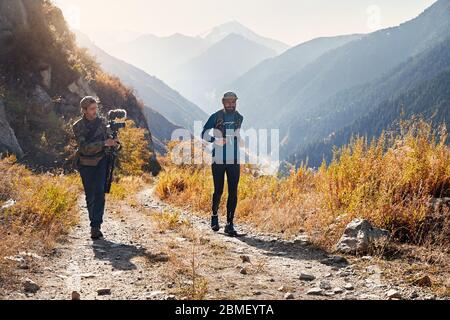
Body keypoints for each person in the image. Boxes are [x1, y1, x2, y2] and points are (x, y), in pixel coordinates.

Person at [72, 96, 119, 240]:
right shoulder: (77, 126)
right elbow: (84, 148)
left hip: (101, 162)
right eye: (92, 109)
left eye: (96, 108)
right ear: (84, 110)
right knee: (89, 194)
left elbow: (111, 141)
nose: (95, 111)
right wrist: (104, 143)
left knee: (99, 192)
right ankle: (94, 222)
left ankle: (95, 226)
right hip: (85, 163)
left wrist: (114, 142)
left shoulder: (103, 123)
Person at [201, 92, 244, 237]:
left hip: (234, 160)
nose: (231, 104)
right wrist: (216, 140)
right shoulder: (216, 116)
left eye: (233, 102)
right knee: (218, 190)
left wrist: (239, 137)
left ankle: (229, 224)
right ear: (223, 102)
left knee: (233, 192)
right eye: (228, 102)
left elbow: (236, 132)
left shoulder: (239, 117)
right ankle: (214, 215)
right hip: (218, 159)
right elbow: (204, 134)